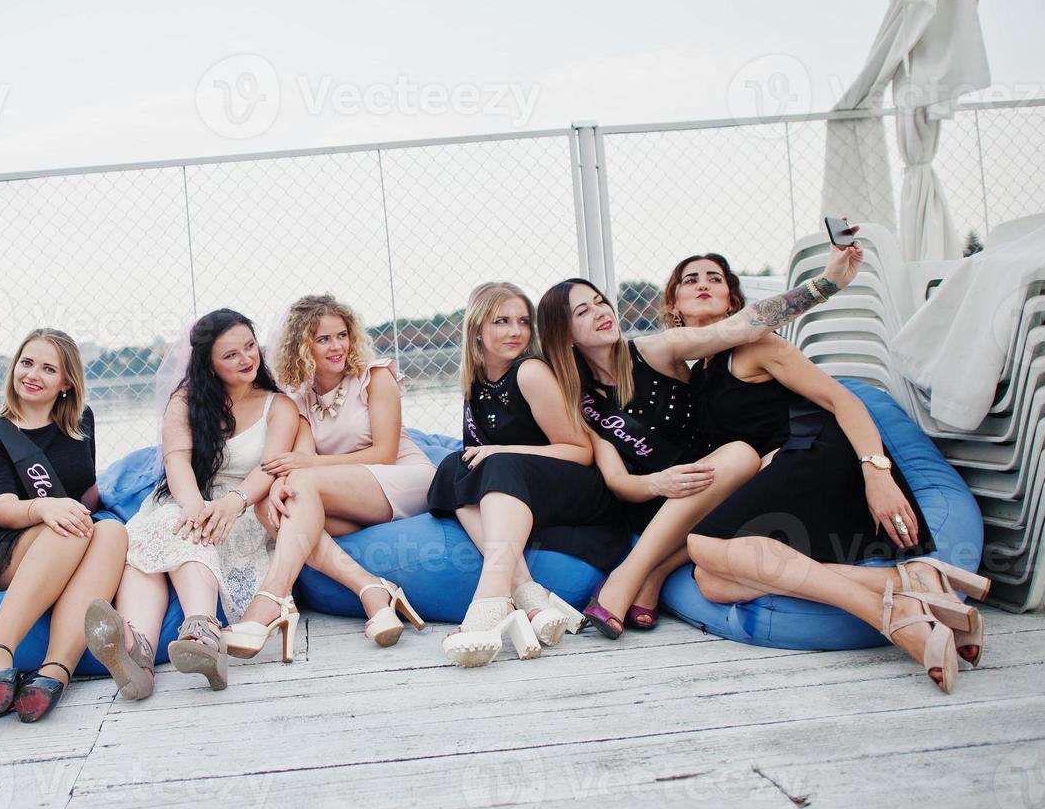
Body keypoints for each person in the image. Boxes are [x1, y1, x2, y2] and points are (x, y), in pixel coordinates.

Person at [666, 256, 976, 693]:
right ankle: (906, 582)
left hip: (822, 456)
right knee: (712, 583)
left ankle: (895, 618)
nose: (703, 284)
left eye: (714, 279)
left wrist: (877, 472)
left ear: (733, 299)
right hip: (784, 476)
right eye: (690, 280)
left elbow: (844, 402)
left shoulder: (757, 345)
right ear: (674, 305)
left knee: (702, 545)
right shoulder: (696, 372)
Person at [538, 241, 864, 637]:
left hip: (715, 480)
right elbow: (616, 479)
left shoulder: (656, 349)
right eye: (582, 310)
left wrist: (826, 284)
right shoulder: (580, 399)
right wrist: (656, 482)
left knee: (740, 456)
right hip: (655, 495)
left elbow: (744, 324)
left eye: (600, 301)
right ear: (564, 333)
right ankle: (652, 574)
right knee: (728, 466)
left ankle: (629, 580)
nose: (601, 312)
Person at [84, 309, 298, 695]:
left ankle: (201, 632)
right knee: (148, 539)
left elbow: (271, 468)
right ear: (209, 364)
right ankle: (137, 652)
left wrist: (232, 503)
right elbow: (176, 460)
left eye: (250, 347)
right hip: (189, 498)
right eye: (231, 354)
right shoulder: (184, 401)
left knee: (186, 532)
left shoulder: (278, 406)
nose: (247, 358)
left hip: (245, 508)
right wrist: (194, 505)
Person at [0, 328, 127, 725]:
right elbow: (3, 507)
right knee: (69, 527)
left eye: (47, 368)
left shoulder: (81, 421)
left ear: (66, 382)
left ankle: (56, 669)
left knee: (109, 530)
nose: (32, 374)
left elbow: (86, 491)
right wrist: (46, 507)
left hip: (68, 534)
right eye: (26, 363)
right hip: (2, 545)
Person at [429, 282, 618, 668]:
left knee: (493, 463)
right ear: (477, 329)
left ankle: (489, 600)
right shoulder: (476, 380)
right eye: (501, 321)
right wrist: (495, 457)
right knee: (453, 466)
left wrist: (502, 451)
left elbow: (579, 451)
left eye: (523, 322)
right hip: (518, 489)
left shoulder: (530, 372)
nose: (516, 331)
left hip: (577, 489)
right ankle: (530, 595)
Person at [262, 294, 430, 646]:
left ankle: (273, 595)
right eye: (323, 339)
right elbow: (301, 460)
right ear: (302, 346)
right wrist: (284, 479)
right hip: (354, 497)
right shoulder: (300, 397)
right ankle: (372, 588)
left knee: (299, 490)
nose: (337, 346)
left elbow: (384, 453)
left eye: (342, 335)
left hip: (404, 478)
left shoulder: (375, 376)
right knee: (273, 507)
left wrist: (307, 466)